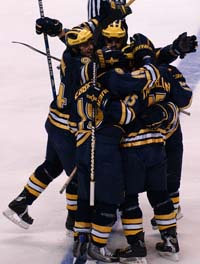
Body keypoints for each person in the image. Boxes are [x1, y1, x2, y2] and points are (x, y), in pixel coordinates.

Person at [2, 0, 132, 231]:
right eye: (86, 45)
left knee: (52, 165)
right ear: (77, 50)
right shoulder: (84, 65)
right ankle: (75, 221)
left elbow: (78, 36)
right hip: (66, 127)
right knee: (77, 174)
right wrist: (108, 20)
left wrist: (59, 30)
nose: (90, 46)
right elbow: (98, 61)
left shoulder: (70, 52)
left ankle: (20, 203)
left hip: (54, 120)